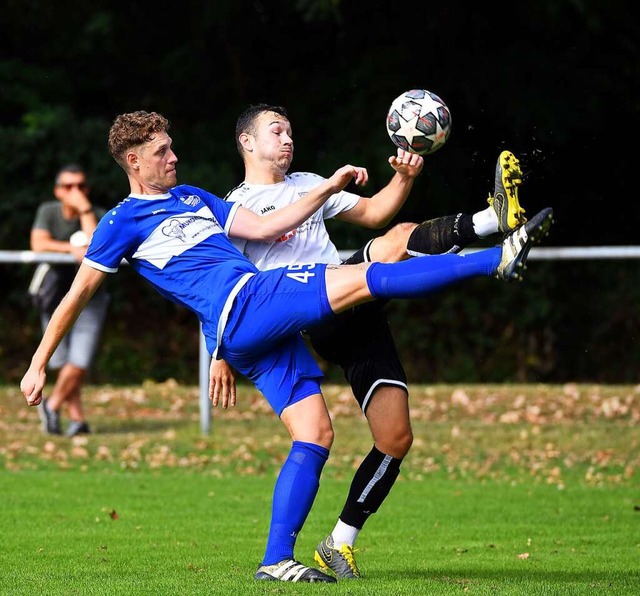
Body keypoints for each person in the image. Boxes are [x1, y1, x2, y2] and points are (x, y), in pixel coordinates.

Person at [20, 110, 552, 583]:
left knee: (316, 434)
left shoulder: (193, 197)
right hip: (249, 302)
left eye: (171, 146)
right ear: (133, 161)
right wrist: (40, 361)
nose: (173, 156)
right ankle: (495, 258)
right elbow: (75, 295)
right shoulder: (118, 222)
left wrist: (323, 188)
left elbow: (271, 223)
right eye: (161, 151)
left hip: (253, 327)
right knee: (370, 275)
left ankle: (277, 559)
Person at [211, 104, 531, 578]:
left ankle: (338, 543)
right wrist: (219, 354)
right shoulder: (234, 209)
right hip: (319, 309)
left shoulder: (308, 183)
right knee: (394, 243)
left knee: (396, 438)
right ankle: (492, 222)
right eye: (276, 131)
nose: (287, 139)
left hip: (357, 306)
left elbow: (376, 210)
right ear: (247, 142)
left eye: (291, 131)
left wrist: (403, 176)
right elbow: (222, 289)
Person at [29, 164, 110, 437]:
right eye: (68, 187)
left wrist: (85, 210)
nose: (75, 192)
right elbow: (38, 243)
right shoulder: (48, 211)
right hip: (54, 297)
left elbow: (98, 246)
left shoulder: (96, 214)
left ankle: (51, 406)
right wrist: (70, 250)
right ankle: (77, 419)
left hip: (90, 298)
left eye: (80, 186)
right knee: (62, 362)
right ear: (57, 191)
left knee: (80, 361)